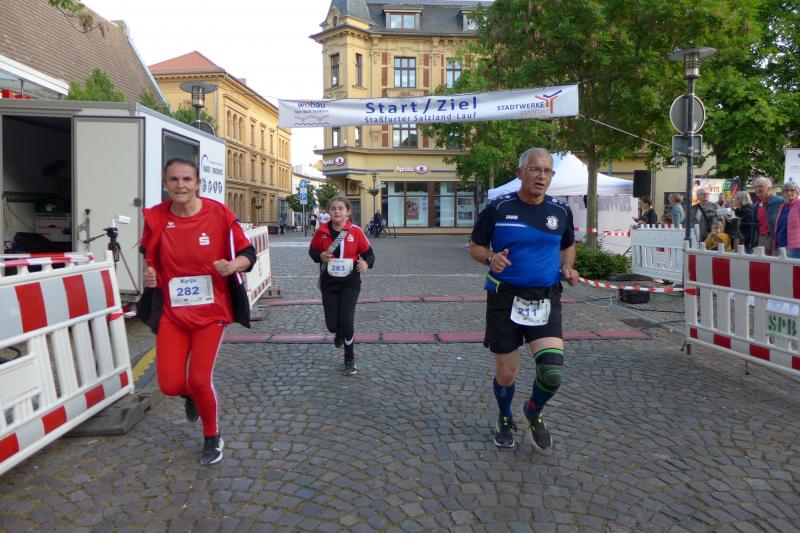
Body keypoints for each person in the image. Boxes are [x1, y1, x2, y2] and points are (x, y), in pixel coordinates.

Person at [140, 158, 256, 465]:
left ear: (198, 184)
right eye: (174, 179)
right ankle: (190, 396)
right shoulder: (156, 217)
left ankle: (212, 435)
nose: (180, 185)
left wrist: (232, 265)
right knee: (169, 385)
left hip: (211, 311)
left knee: (200, 379)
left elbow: (248, 253)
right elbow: (147, 254)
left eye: (187, 179)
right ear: (165, 183)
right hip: (173, 312)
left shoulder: (219, 215)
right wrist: (149, 272)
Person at [469, 147, 579, 451]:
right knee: (507, 374)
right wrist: (490, 258)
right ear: (520, 173)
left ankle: (532, 411)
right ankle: (505, 417)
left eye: (547, 171)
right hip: (504, 299)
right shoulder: (498, 208)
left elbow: (568, 244)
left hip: (545, 298)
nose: (541, 176)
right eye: (535, 169)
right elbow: (475, 246)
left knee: (552, 372)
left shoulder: (560, 210)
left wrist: (567, 267)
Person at [309, 196, 375, 375]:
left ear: (348, 212)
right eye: (333, 208)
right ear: (328, 211)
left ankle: (349, 359)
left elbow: (369, 254)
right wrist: (320, 256)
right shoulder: (321, 231)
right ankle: (338, 332)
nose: (337, 211)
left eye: (340, 208)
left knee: (347, 320)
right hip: (329, 283)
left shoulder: (356, 231)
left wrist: (366, 263)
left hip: (350, 283)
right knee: (332, 325)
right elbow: (312, 251)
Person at [751, 176, 783, 255]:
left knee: (775, 261)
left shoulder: (780, 201)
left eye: (760, 186)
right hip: (760, 238)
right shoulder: (755, 205)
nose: (757, 189)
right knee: (762, 261)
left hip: (774, 238)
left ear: (769, 188)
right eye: (756, 187)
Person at [774, 181, 800, 259]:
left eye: (792, 190)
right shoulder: (783, 206)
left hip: (795, 247)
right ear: (783, 192)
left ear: (797, 191)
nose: (789, 193)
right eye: (786, 190)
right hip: (780, 244)